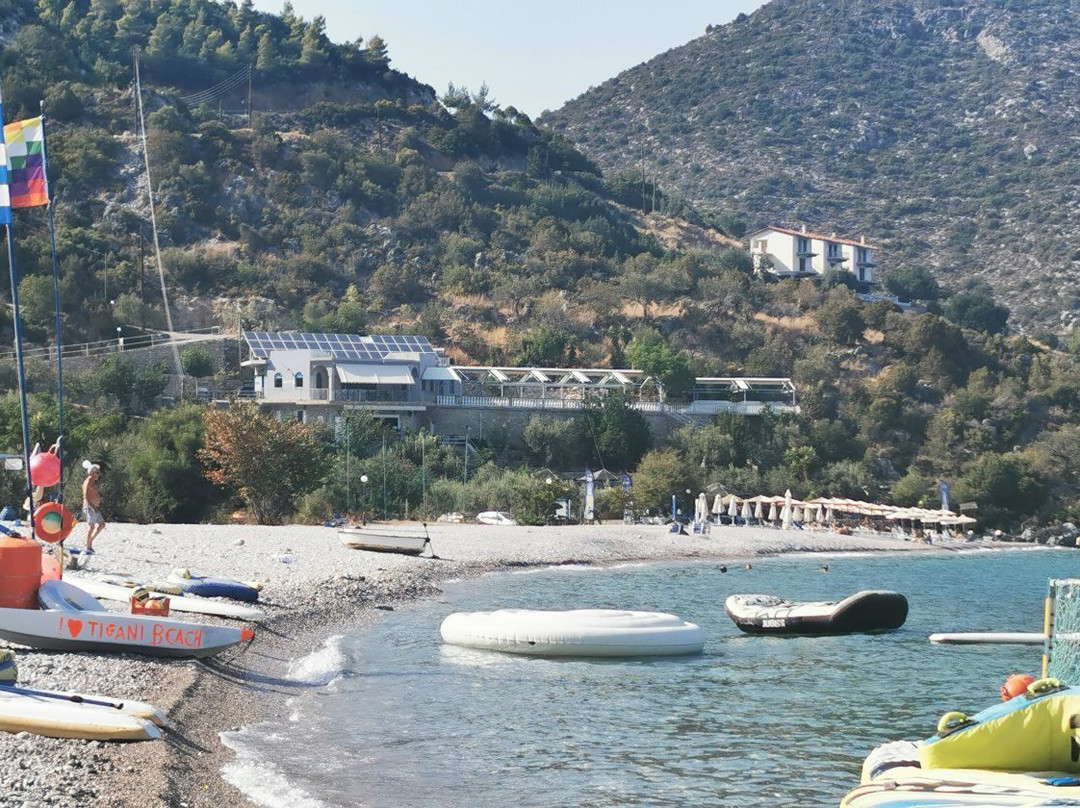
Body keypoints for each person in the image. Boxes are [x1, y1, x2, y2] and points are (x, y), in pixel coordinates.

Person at [81, 460, 105, 552]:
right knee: (91, 526)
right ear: (91, 473)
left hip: (93, 507)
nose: (98, 475)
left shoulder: (91, 482)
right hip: (89, 507)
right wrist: (93, 507)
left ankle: (89, 541)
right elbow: (86, 497)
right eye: (97, 473)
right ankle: (88, 546)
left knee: (102, 524)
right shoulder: (87, 482)